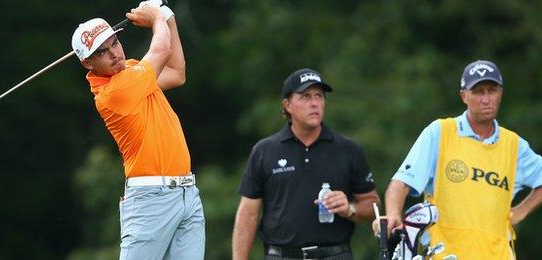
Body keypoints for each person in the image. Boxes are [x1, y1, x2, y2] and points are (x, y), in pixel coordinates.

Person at [373, 60, 542, 259]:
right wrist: (393, 214)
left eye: (492, 90)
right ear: (464, 96)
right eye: (479, 91)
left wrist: (521, 211)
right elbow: (401, 182)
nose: (486, 99)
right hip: (444, 254)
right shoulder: (441, 132)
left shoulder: (514, 145)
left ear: (501, 93)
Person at [71, 3, 204, 260]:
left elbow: (176, 73)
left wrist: (168, 17)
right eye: (102, 52)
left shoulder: (133, 70)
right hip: (151, 200)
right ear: (87, 63)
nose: (114, 54)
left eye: (114, 44)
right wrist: (156, 16)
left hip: (187, 194)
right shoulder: (113, 93)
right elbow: (162, 48)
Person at [232, 68, 381, 260]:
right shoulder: (265, 151)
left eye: (319, 96)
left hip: (335, 254)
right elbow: (248, 214)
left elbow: (373, 204)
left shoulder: (348, 149)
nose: (314, 103)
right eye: (305, 97)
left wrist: (350, 209)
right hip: (281, 255)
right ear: (287, 105)